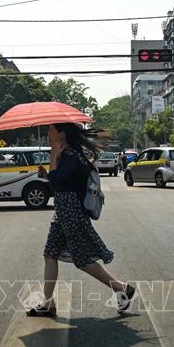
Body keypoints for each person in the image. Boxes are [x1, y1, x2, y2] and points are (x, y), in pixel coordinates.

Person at [28, 123, 135, 317]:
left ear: (61, 134)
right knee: (50, 254)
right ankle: (48, 303)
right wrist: (48, 172)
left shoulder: (71, 156)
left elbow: (59, 181)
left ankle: (121, 288)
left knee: (83, 260)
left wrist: (53, 159)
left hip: (72, 212)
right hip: (62, 212)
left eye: (51, 130)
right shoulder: (66, 154)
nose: (48, 134)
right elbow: (58, 185)